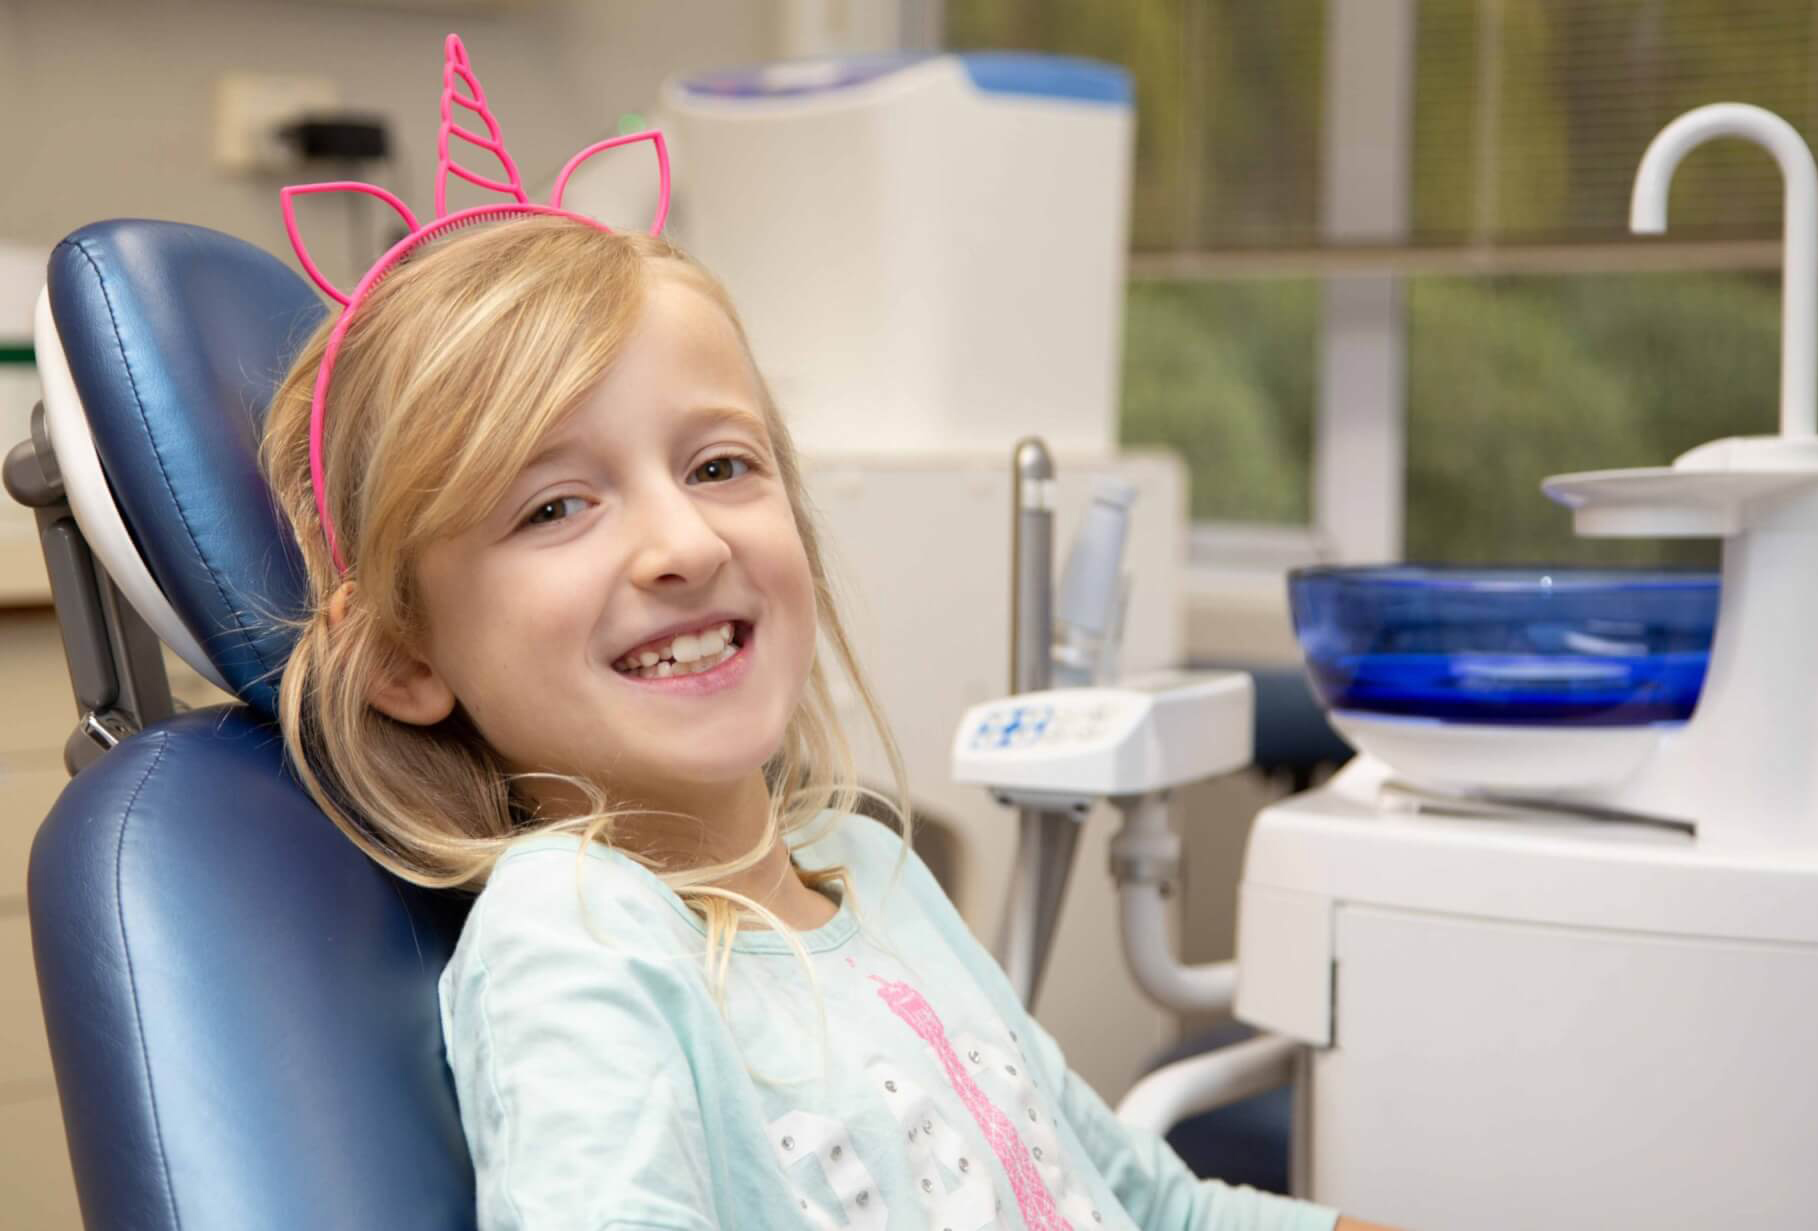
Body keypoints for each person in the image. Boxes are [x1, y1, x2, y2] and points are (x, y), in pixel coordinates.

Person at [260, 34, 1393, 1231]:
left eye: (720, 464)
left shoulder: (874, 869)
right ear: (402, 656)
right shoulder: (580, 935)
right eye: (554, 505)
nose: (684, 543)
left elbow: (1146, 1206)